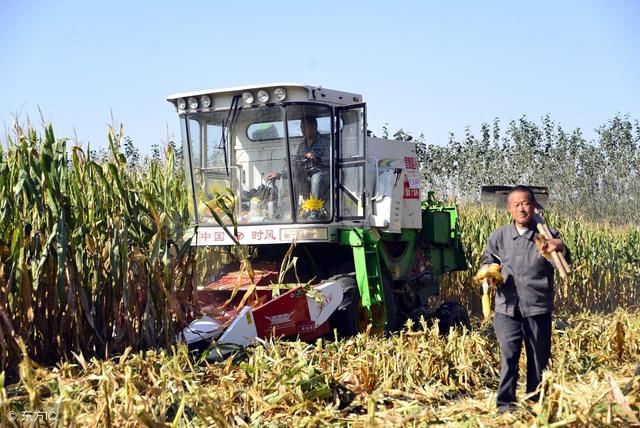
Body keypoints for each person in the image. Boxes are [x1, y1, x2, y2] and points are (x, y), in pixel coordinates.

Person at [481, 185, 570, 412]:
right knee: (509, 357)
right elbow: (487, 261)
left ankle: (537, 403)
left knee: (538, 359)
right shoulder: (499, 236)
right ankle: (505, 405)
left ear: (534, 206)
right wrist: (489, 275)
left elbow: (563, 261)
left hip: (537, 306)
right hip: (507, 308)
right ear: (510, 208)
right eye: (516, 204)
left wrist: (560, 247)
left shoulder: (546, 235)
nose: (522, 209)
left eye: (526, 203)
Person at [267, 116, 330, 218]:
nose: (303, 130)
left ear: (314, 127)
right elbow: (297, 165)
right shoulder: (302, 146)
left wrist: (316, 158)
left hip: (325, 174)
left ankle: (314, 212)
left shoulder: (326, 142)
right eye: (301, 128)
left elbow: (331, 160)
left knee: (316, 178)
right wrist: (279, 174)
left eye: (305, 127)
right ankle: (293, 211)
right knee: (295, 180)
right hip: (306, 175)